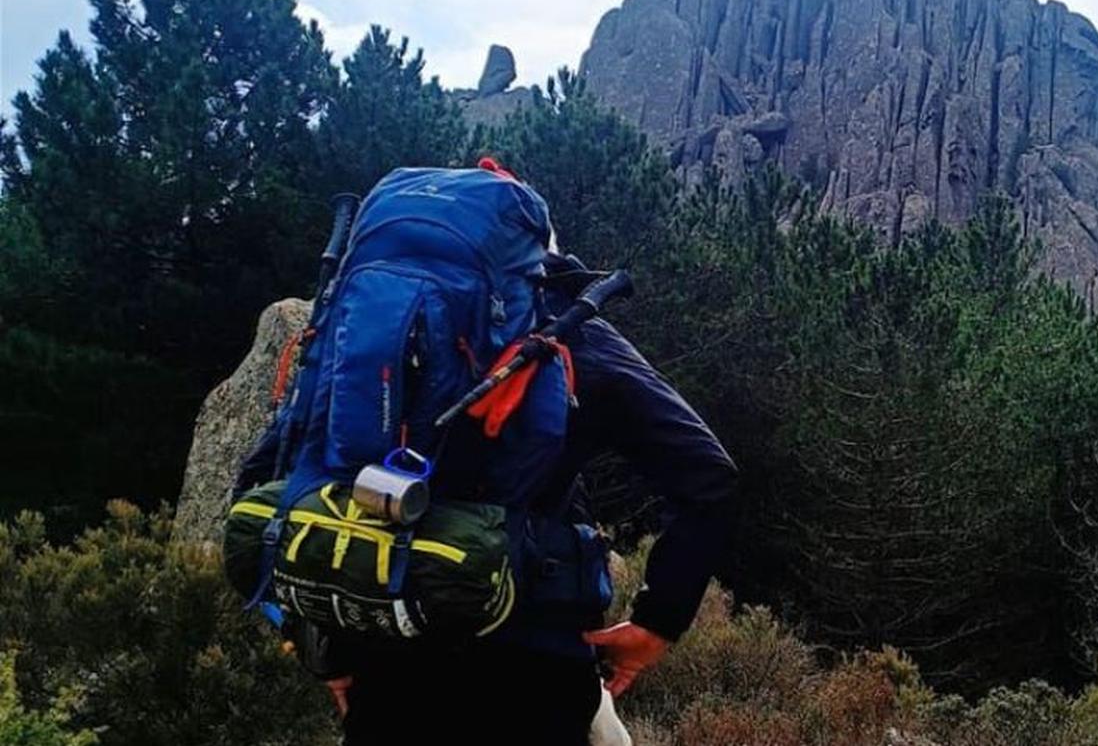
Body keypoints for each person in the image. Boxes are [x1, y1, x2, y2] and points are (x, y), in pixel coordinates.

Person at [247, 244, 738, 745]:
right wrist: (658, 623)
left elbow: (264, 483)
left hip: (388, 651)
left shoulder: (375, 332)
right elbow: (708, 478)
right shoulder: (573, 333)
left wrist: (316, 639)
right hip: (535, 662)